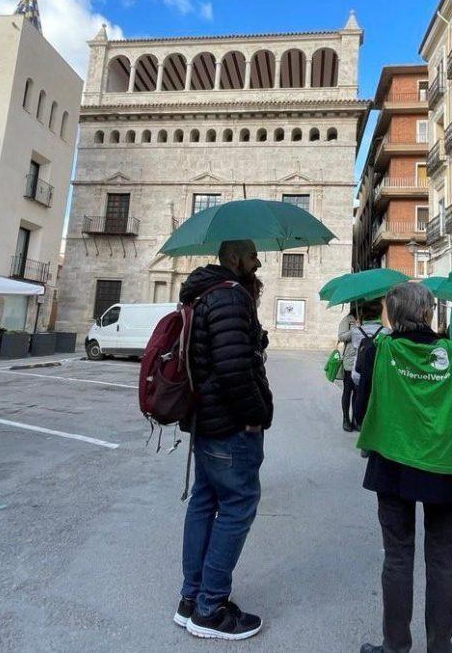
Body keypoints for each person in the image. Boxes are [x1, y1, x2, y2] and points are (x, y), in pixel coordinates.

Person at [354, 282, 452, 653]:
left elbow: (360, 413)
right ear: (428, 312)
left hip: (392, 467)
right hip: (446, 470)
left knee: (397, 558)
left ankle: (395, 646)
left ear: (392, 316)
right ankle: (441, 646)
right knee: (443, 560)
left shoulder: (375, 350)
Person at [175, 239, 273, 641]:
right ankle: (210, 608)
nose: (258, 261)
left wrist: (255, 339)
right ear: (235, 259)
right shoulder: (230, 297)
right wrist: (255, 416)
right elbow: (233, 368)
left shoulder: (202, 294)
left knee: (204, 501)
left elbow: (222, 352)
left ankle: (191, 599)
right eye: (252, 256)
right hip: (231, 424)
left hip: (205, 419)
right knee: (237, 505)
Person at [339, 306, 359, 431]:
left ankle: (356, 419)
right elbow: (341, 337)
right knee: (348, 391)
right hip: (350, 361)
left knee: (358, 393)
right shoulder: (347, 320)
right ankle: (346, 419)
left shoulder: (365, 320)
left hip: (361, 360)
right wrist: (354, 330)